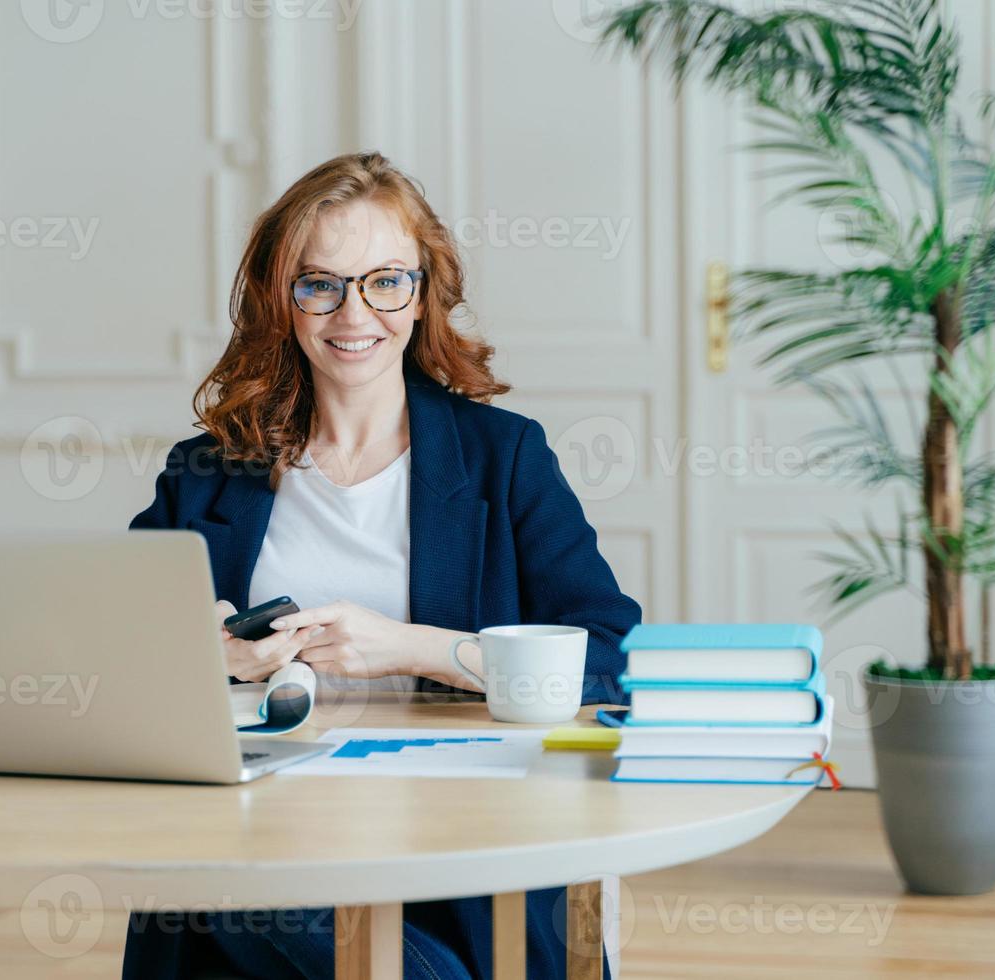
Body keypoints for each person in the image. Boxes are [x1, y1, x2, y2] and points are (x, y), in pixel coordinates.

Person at [123, 151, 639, 979]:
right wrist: (206, 655)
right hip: (256, 836)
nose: (352, 311)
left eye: (384, 281)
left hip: (455, 842)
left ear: (423, 290)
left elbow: (604, 657)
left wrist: (411, 647)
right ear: (280, 299)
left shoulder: (503, 458)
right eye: (318, 283)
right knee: (230, 883)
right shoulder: (209, 469)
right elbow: (112, 643)